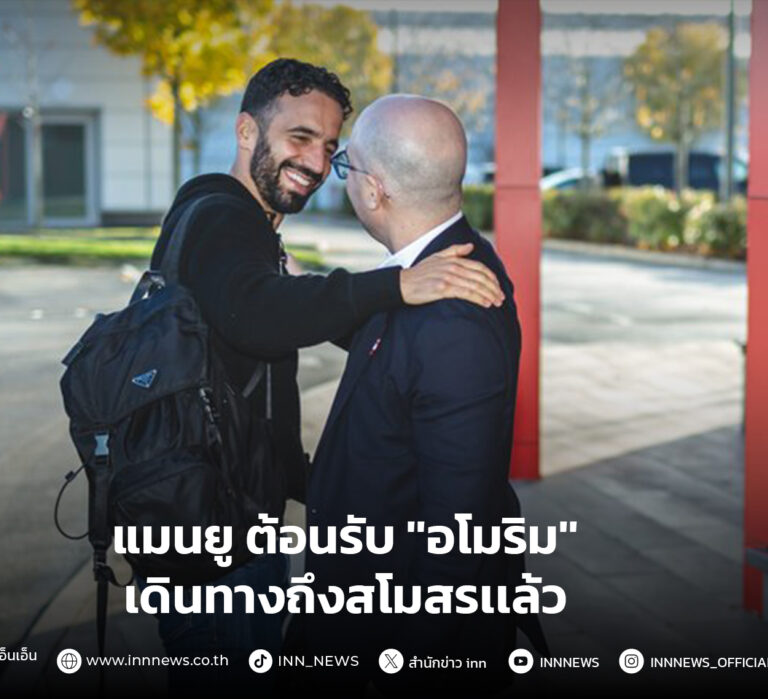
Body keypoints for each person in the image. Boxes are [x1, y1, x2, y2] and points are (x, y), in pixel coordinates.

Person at [142, 60, 505, 694]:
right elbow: (257, 314)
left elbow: (266, 347)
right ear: (246, 132)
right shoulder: (223, 217)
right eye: (300, 137)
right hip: (214, 552)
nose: (316, 162)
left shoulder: (236, 223)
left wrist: (334, 487)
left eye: (331, 147)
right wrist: (396, 285)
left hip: (226, 528)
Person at [296, 94, 548, 696]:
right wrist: (294, 290)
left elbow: (458, 532)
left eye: (346, 165)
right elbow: (393, 350)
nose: (341, 178)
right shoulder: (434, 268)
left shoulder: (455, 310)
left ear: (374, 190)